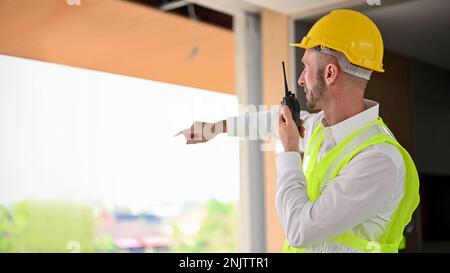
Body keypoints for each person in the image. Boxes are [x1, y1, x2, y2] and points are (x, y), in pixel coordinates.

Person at [175, 9, 420, 253]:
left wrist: (289, 151)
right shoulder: (319, 127)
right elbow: (275, 121)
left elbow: (300, 231)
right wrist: (217, 128)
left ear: (330, 73)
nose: (301, 79)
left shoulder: (377, 160)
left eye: (306, 68)